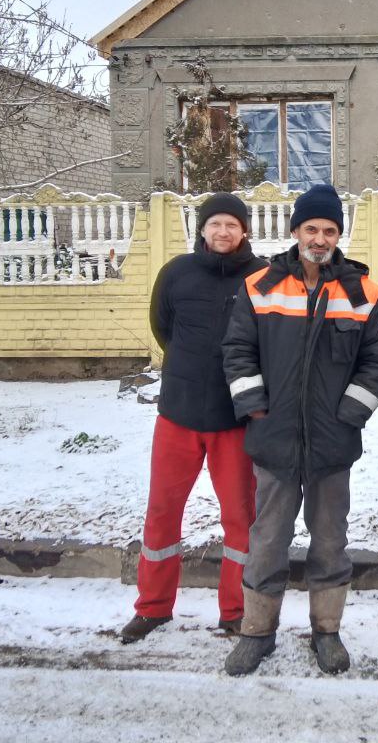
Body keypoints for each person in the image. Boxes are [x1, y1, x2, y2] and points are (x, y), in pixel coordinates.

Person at [220, 182, 378, 676]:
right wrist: (255, 407)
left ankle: (327, 631)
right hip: (274, 441)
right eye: (311, 228)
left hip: (332, 445)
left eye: (330, 230)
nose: (320, 238)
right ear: (296, 230)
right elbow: (237, 350)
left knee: (329, 541)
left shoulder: (364, 292)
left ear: (339, 235)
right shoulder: (262, 285)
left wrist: (349, 415)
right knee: (268, 539)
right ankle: (257, 632)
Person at [120, 193, 266, 644]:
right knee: (162, 513)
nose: (223, 232)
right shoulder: (176, 274)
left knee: (241, 518)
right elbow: (163, 327)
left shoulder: (261, 277)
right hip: (179, 414)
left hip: (234, 419)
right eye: (215, 224)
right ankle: (153, 607)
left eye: (232, 225)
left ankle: (235, 612)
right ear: (201, 229)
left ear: (244, 231)